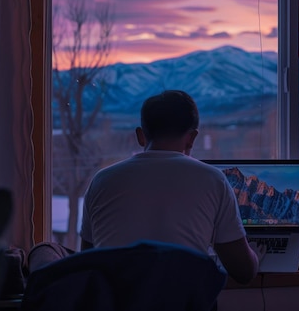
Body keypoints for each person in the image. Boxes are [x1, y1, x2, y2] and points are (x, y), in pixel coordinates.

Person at [78, 90, 265, 284]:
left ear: (141, 136)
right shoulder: (213, 180)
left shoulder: (101, 181)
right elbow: (243, 271)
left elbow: (88, 262)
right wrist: (256, 256)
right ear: (192, 137)